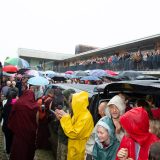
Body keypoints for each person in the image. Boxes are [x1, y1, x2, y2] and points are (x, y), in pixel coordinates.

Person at [55, 91, 94, 160]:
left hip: (79, 150)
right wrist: (62, 117)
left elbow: (73, 133)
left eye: (72, 102)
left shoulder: (85, 117)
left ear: (77, 103)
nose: (70, 104)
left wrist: (65, 118)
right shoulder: (78, 114)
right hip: (74, 148)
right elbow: (70, 125)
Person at [8, 89, 39, 160]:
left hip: (19, 130)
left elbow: (12, 115)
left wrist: (12, 125)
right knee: (28, 149)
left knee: (18, 148)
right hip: (30, 131)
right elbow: (37, 120)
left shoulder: (18, 103)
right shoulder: (35, 106)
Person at [2, 89, 18, 154]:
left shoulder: (5, 104)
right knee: (13, 139)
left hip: (6, 125)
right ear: (15, 96)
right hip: (14, 126)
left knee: (7, 140)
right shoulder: (17, 105)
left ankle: (8, 151)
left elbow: (3, 115)